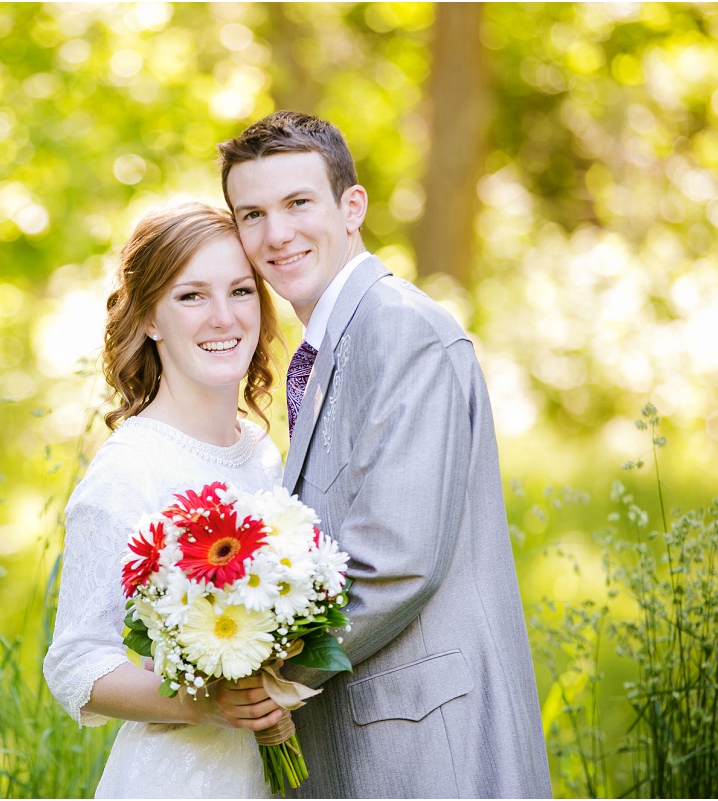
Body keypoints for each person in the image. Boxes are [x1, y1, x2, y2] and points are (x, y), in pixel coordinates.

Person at [217, 111, 552, 798]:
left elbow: (396, 560)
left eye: (297, 203)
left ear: (352, 206)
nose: (276, 234)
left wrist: (273, 675)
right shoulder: (328, 345)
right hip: (374, 736)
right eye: (251, 214)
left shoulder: (401, 332)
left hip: (428, 741)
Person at [43, 203, 287, 798]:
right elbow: (75, 663)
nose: (224, 317)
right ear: (150, 317)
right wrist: (202, 701)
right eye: (191, 297)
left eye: (240, 290)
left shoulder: (261, 452)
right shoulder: (130, 471)